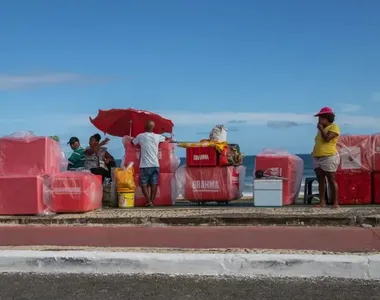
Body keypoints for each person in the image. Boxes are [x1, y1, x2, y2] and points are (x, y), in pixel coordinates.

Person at [132, 121, 166, 207]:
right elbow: (165, 138)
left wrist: (131, 138)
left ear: (145, 127)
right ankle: (151, 201)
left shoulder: (140, 136)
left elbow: (133, 142)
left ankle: (148, 201)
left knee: (143, 183)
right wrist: (162, 134)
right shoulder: (157, 136)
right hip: (155, 164)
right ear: (153, 128)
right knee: (154, 183)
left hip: (144, 165)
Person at [312, 107, 340, 209]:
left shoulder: (334, 127)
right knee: (321, 180)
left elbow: (327, 139)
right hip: (317, 158)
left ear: (326, 118)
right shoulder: (321, 129)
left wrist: (321, 129)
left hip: (329, 157)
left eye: (320, 118)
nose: (319, 120)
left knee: (331, 179)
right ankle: (322, 202)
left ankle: (335, 203)